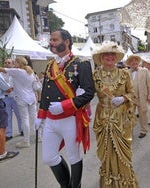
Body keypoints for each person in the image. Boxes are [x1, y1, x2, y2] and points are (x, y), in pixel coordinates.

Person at [35, 29, 95, 188]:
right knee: (48, 157)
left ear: (66, 41)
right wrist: (41, 114)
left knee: (73, 156)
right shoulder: (50, 65)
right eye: (51, 40)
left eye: (55, 40)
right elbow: (46, 92)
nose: (51, 43)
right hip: (51, 120)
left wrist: (64, 105)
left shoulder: (81, 64)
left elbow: (89, 93)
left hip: (70, 119)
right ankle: (66, 185)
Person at [92, 41, 138, 187]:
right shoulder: (95, 75)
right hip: (102, 118)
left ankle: (125, 182)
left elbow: (132, 93)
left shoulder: (124, 74)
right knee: (106, 151)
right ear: (101, 57)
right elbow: (88, 93)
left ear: (117, 57)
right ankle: (108, 183)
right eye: (107, 55)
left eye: (113, 55)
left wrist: (123, 98)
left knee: (122, 153)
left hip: (120, 118)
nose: (110, 57)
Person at [0, 56, 38, 148]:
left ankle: (26, 141)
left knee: (25, 119)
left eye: (15, 62)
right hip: (31, 97)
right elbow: (35, 87)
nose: (14, 64)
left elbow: (0, 69)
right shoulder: (31, 72)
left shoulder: (18, 71)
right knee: (34, 117)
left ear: (19, 63)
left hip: (22, 98)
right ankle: (40, 136)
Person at [126, 54, 150, 138]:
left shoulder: (144, 71)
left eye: (135, 60)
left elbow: (149, 84)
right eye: (131, 61)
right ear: (129, 63)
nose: (134, 62)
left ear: (138, 62)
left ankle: (143, 130)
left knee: (143, 115)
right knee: (129, 115)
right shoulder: (126, 73)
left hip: (142, 97)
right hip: (130, 98)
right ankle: (129, 131)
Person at [2, 58, 23, 141]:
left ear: (13, 64)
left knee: (19, 115)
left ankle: (22, 130)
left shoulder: (17, 73)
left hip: (15, 96)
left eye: (9, 63)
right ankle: (8, 134)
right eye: (5, 62)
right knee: (7, 116)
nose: (7, 64)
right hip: (5, 97)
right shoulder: (0, 74)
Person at [141, 56, 150, 126]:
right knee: (149, 107)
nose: (144, 64)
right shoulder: (144, 72)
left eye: (145, 63)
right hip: (147, 91)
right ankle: (149, 119)